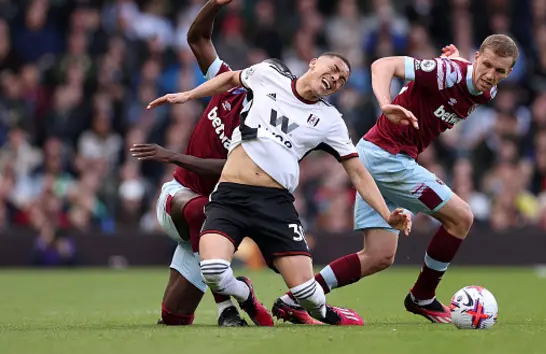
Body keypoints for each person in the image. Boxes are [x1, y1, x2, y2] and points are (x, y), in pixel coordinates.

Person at [147, 51, 412, 326]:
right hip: (230, 195)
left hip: (274, 204)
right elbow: (229, 79)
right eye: (333, 69)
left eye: (342, 79)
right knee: (213, 270)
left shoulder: (330, 120)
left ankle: (328, 314)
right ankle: (244, 293)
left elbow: (357, 172)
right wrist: (188, 95)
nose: (335, 79)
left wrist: (385, 213)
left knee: (308, 295)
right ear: (313, 63)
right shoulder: (269, 74)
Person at [273, 35, 518, 324]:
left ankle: (293, 300)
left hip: (380, 157)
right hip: (385, 157)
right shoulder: (447, 72)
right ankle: (422, 296)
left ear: (509, 72)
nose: (490, 75)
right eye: (486, 64)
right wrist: (386, 103)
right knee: (461, 217)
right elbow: (382, 65)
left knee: (378, 256)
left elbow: (459, 79)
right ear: (477, 57)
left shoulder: (483, 90)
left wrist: (456, 61)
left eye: (500, 71)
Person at [130, 0, 248, 327]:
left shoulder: (265, 129)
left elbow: (229, 169)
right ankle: (228, 308)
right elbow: (196, 38)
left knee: (174, 317)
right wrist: (215, 4)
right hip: (180, 196)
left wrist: (173, 154)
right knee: (201, 209)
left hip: (213, 220)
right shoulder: (228, 86)